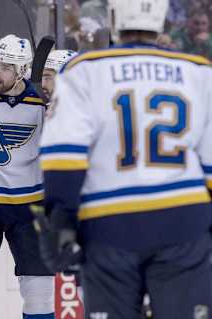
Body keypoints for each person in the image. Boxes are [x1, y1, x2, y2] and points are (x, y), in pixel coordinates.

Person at [36, 0, 212, 318]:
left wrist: (61, 220)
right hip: (183, 222)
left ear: (114, 16)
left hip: (109, 225)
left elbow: (64, 154)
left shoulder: (84, 69)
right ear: (161, 19)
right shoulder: (198, 71)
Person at [0, 35, 54, 318]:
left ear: (22, 71)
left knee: (39, 292)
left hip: (30, 206)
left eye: (6, 67)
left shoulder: (41, 103)